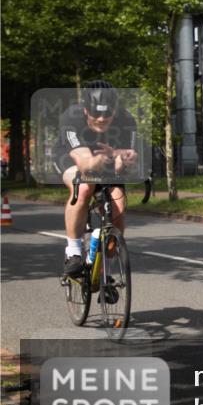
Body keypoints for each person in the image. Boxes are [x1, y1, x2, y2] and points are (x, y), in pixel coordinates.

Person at [55, 80, 138, 278]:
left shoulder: (127, 120)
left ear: (115, 111)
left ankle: (100, 268)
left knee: (118, 203)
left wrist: (124, 160)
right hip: (73, 157)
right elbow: (85, 163)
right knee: (85, 187)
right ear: (85, 110)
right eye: (95, 114)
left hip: (105, 159)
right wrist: (104, 158)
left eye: (107, 114)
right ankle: (73, 251)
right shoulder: (71, 119)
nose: (101, 119)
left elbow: (130, 155)